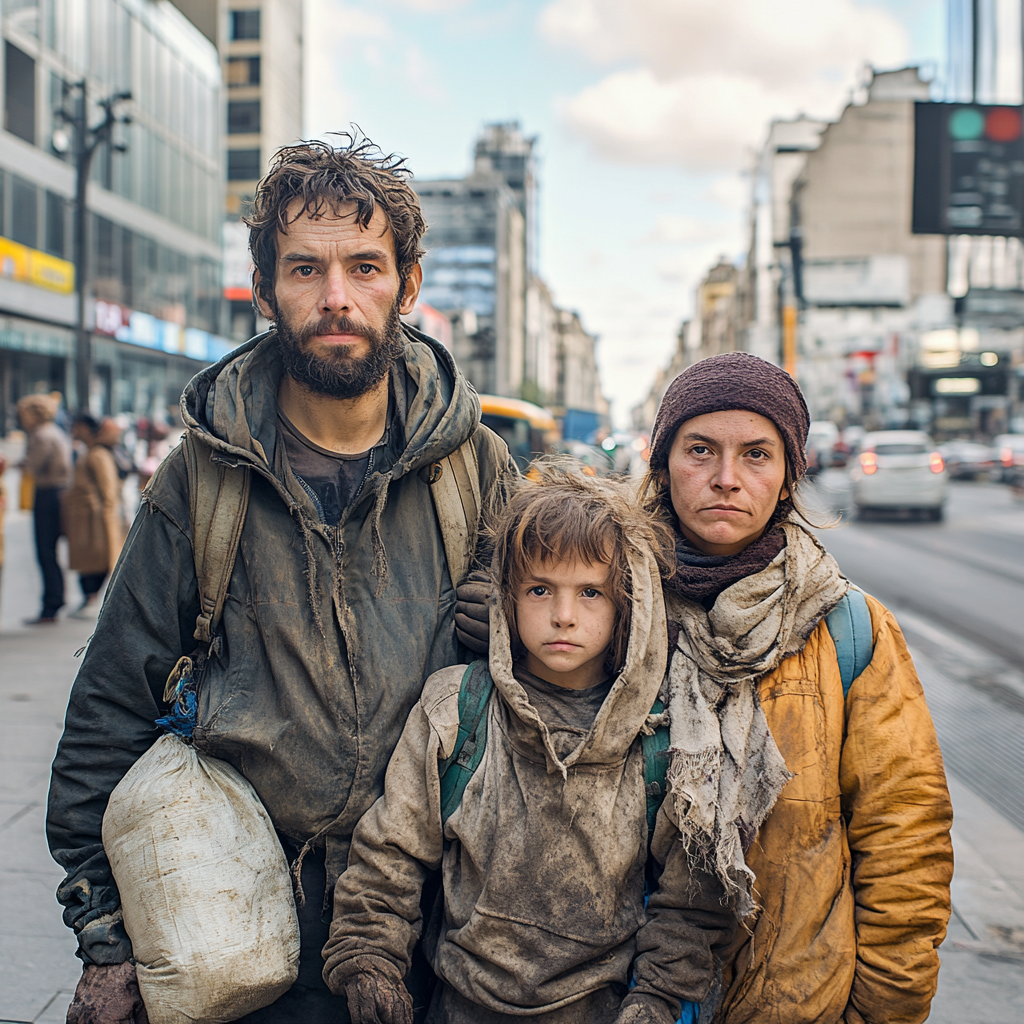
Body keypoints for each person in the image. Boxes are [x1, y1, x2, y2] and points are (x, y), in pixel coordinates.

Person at [47, 134, 513, 1023]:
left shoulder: (478, 472)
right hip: (242, 923)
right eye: (305, 270)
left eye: (365, 267)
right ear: (264, 290)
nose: (336, 298)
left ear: (406, 287)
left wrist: (516, 639)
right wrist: (105, 937)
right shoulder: (202, 477)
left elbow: (566, 693)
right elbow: (107, 707)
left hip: (435, 934)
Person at [325, 464, 734, 1024]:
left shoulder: (660, 739)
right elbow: (389, 852)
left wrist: (655, 999)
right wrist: (369, 956)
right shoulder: (458, 710)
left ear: (626, 607)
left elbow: (689, 903)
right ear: (507, 598)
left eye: (591, 592)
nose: (563, 616)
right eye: (540, 590)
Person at [641, 352, 953, 1024]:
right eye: (700, 450)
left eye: (757, 454)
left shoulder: (850, 631)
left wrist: (878, 1012)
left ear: (786, 479)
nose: (727, 479)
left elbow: (906, 846)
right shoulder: (599, 610)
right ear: (663, 467)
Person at [62, 415, 128, 619]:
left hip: (95, 520)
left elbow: (108, 492)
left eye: (77, 426)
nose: (74, 430)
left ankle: (91, 598)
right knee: (87, 560)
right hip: (85, 518)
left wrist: (111, 523)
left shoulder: (98, 454)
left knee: (96, 560)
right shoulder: (89, 452)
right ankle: (88, 598)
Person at [17, 393, 72, 624]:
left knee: (45, 550)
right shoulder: (55, 431)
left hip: (48, 493)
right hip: (59, 492)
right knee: (51, 550)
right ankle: (55, 599)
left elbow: (33, 465)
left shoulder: (40, 435)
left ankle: (51, 603)